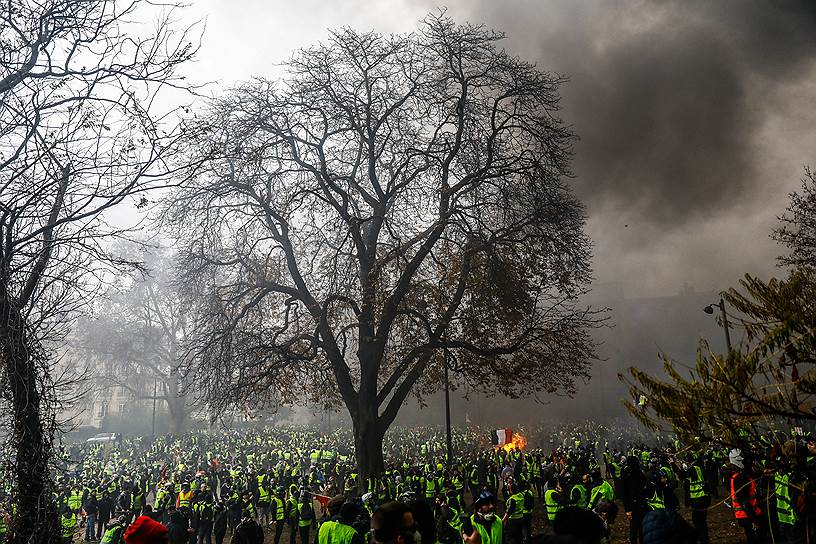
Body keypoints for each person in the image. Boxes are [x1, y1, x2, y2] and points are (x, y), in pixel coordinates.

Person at [728, 449, 764, 544]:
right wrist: (753, 519)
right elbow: (743, 500)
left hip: (750, 514)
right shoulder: (739, 478)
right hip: (747, 516)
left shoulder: (741, 475)